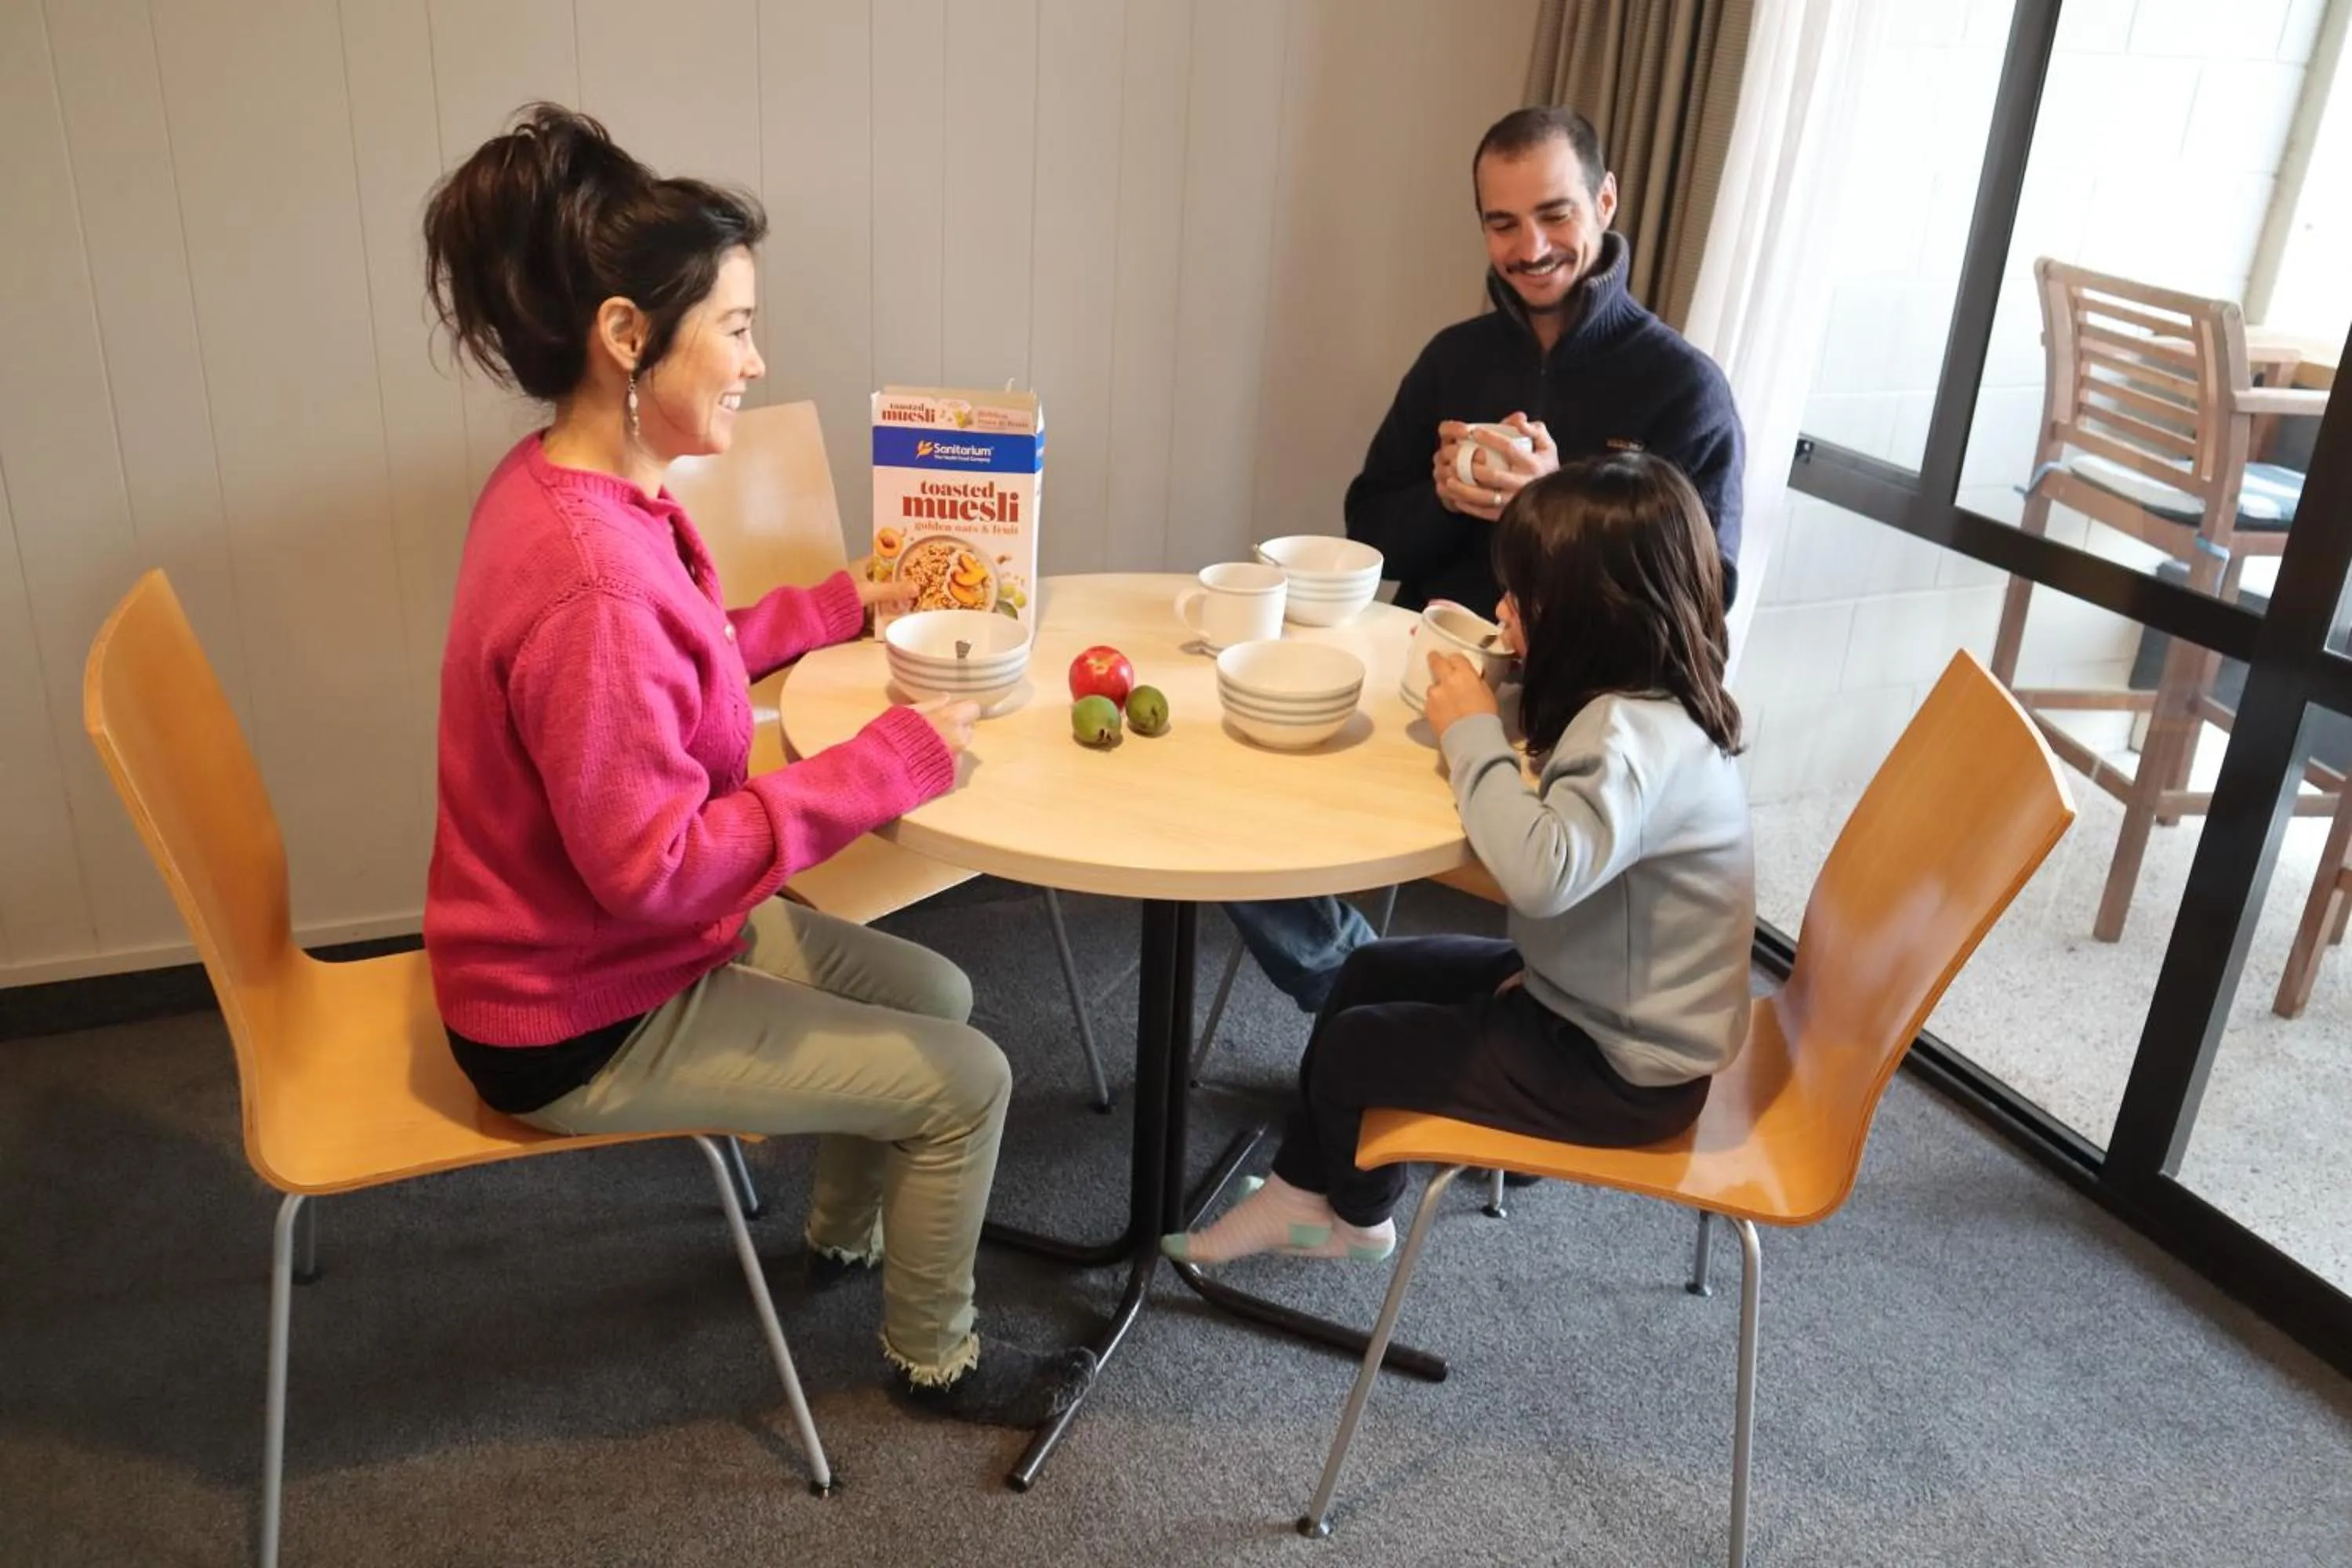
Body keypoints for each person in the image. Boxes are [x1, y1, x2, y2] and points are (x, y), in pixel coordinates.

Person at [420, 104, 1092, 1428]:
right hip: (579, 1012)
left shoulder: (570, 489)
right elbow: (658, 869)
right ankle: (937, 1364)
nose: (754, 358)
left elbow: (682, 661)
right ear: (628, 335)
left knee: (942, 989)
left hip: (602, 947)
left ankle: (841, 1242)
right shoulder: (593, 584)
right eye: (734, 327)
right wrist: (890, 762)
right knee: (971, 1083)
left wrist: (832, 605)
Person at [1223, 103, 1746, 1018]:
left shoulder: (1682, 387)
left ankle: (1383, 1006)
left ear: (1606, 202)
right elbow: (1368, 529)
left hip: (1574, 717)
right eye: (1503, 223)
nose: (1529, 247)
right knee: (1233, 795)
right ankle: (1349, 978)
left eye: (1555, 214)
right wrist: (1443, 495)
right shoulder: (1453, 359)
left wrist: (1559, 506)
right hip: (1431, 679)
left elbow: (1708, 595)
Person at [1165, 453, 1753, 1265]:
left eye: (1524, 597)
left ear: (1592, 615)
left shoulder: (1627, 743)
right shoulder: (1647, 700)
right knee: (1368, 973)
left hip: (1622, 1066)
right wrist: (1492, 694)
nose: (1503, 607)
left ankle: (1356, 1221)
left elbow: (1540, 873)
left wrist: (1473, 730)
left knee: (1358, 1048)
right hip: (1592, 1000)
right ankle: (1300, 1191)